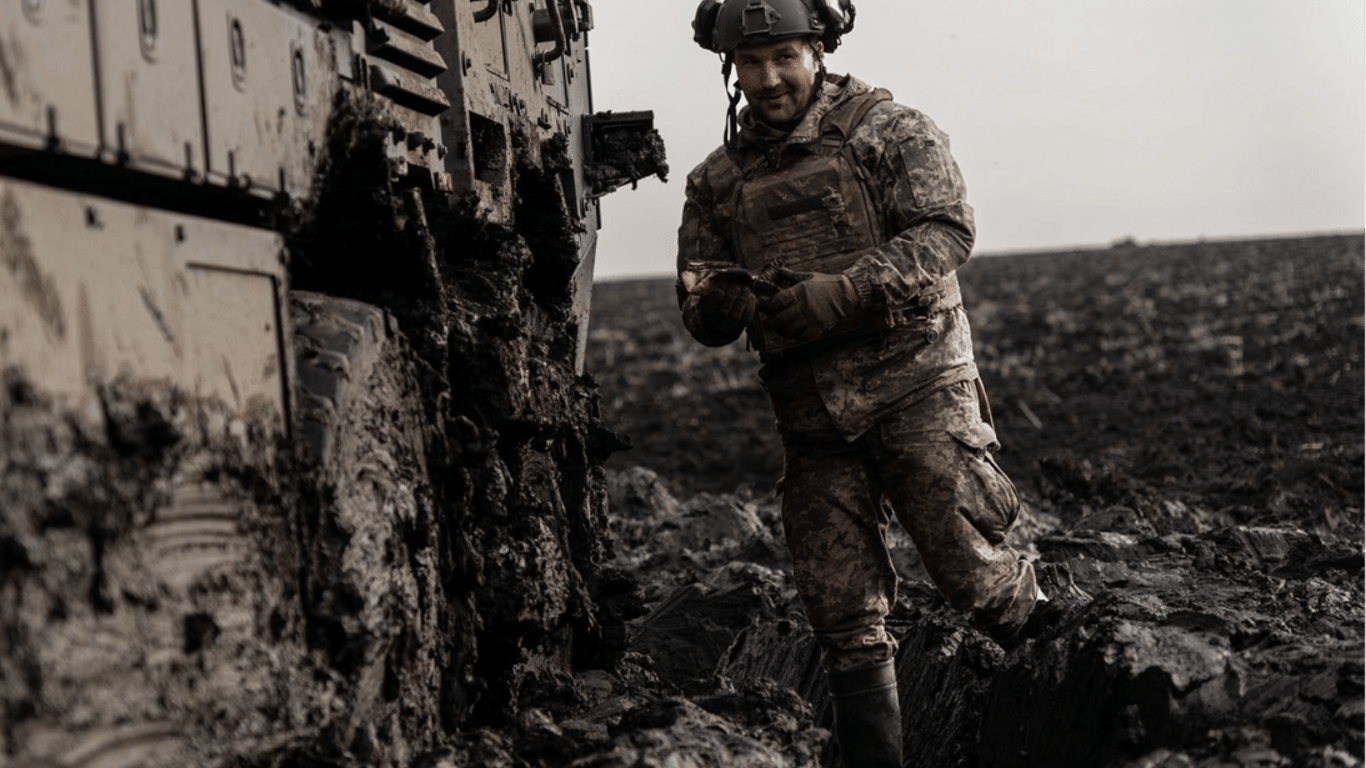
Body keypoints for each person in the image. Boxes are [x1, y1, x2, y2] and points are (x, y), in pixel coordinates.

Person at [677, 1, 1044, 765]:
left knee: (978, 577)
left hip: (917, 385)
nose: (769, 79)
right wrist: (725, 300)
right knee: (840, 612)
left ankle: (1073, 693)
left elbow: (947, 230)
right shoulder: (717, 181)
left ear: (818, 52)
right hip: (813, 420)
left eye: (785, 57)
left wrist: (844, 291)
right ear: (732, 70)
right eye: (752, 62)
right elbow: (700, 306)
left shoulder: (889, 131)